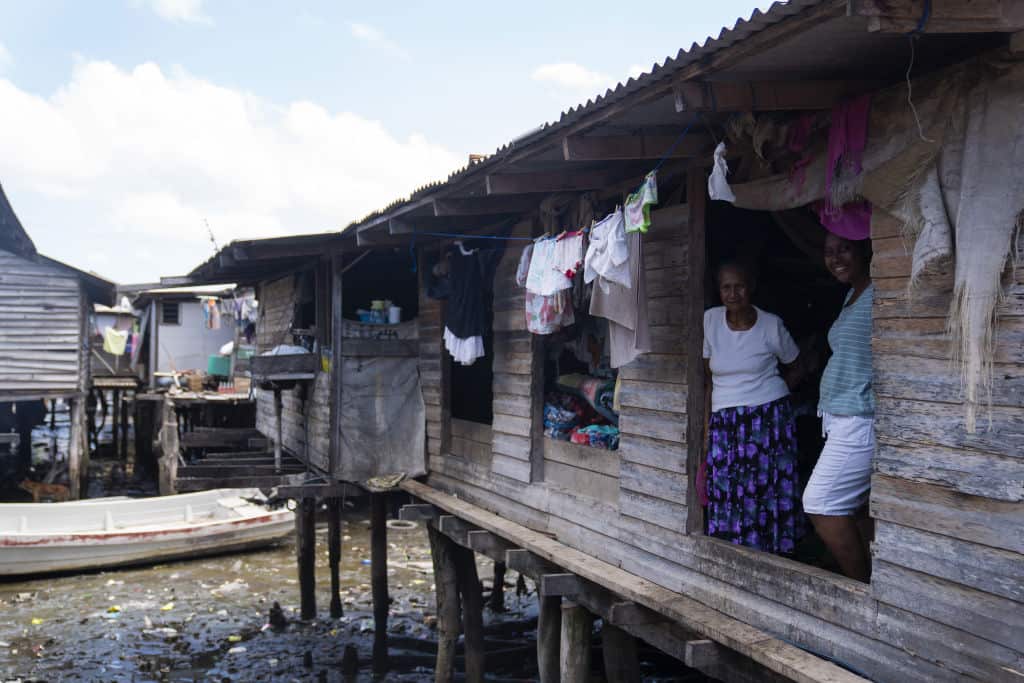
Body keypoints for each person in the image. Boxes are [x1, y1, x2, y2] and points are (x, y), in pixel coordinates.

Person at [701, 261, 804, 554]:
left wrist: (772, 396)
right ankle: (734, 552)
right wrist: (707, 429)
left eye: (739, 286)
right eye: (726, 287)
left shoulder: (771, 325)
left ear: (751, 287)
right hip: (726, 421)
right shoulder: (709, 321)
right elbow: (708, 379)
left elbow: (796, 366)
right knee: (728, 488)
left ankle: (774, 552)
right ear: (718, 291)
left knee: (768, 488)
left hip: (769, 420)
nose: (733, 294)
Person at [803, 233, 874, 582]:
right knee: (856, 510)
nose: (835, 258)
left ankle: (861, 587)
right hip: (839, 416)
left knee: (819, 502)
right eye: (829, 251)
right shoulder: (852, 295)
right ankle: (867, 580)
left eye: (844, 248)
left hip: (859, 418)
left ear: (863, 248)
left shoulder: (878, 292)